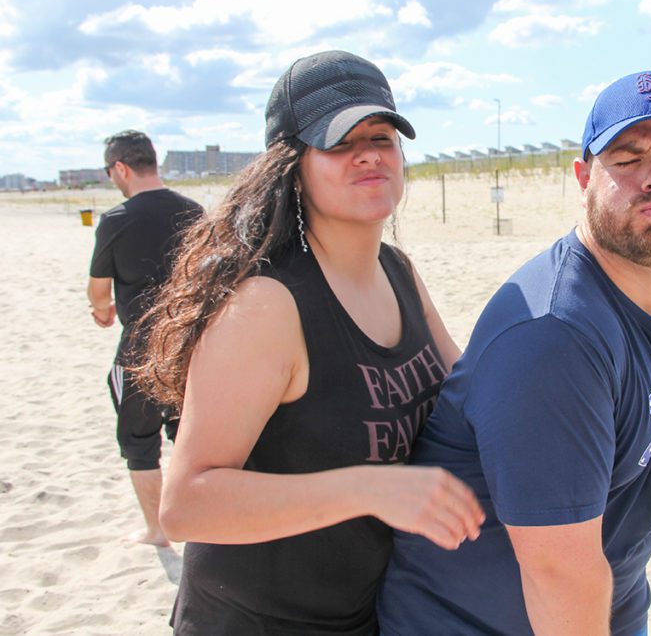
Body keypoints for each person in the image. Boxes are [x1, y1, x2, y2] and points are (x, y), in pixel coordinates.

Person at [379, 71, 651, 635]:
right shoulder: (553, 335)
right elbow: (559, 570)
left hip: (609, 614)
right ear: (583, 177)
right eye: (627, 159)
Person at [132, 50, 484, 634]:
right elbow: (186, 506)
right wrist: (371, 488)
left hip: (365, 610)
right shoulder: (268, 305)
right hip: (254, 620)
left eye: (382, 137)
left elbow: (469, 397)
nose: (369, 154)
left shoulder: (399, 271)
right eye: (340, 142)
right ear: (292, 167)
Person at [87, 130, 204, 547]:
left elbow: (99, 292)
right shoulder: (195, 211)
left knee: (137, 441)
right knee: (189, 435)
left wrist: (104, 311)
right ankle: (198, 523)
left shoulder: (117, 220)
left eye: (109, 171)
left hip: (140, 349)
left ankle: (157, 530)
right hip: (190, 346)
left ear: (120, 168)